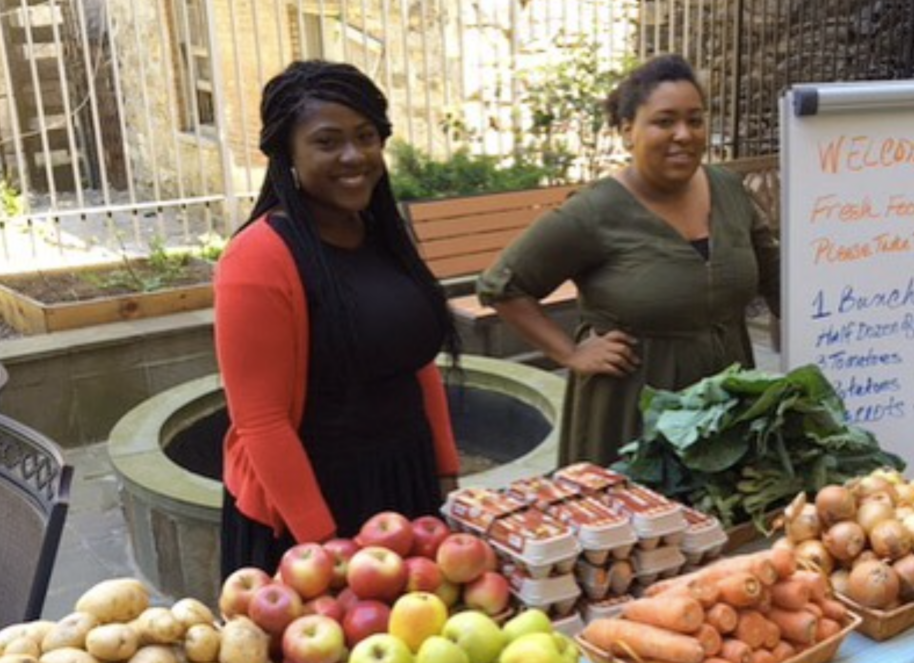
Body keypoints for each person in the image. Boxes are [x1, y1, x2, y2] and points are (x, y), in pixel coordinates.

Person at [215, 60, 460, 578]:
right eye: (327, 142)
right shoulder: (257, 258)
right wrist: (324, 546)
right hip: (310, 503)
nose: (354, 156)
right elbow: (260, 421)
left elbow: (416, 362)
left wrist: (444, 472)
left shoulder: (378, 235)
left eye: (366, 136)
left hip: (403, 480)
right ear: (288, 153)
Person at [476, 54, 779, 467]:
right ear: (626, 132)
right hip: (631, 420)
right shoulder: (595, 211)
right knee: (640, 526)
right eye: (664, 121)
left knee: (722, 527)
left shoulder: (728, 189)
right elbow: (503, 285)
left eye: (695, 120)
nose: (684, 134)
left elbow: (778, 274)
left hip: (727, 408)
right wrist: (570, 353)